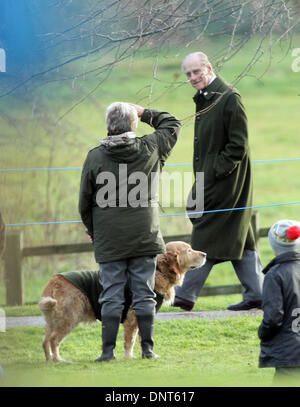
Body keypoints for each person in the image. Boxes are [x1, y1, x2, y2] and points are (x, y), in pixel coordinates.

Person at [79, 102, 181, 362]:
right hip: (144, 235)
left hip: (109, 238)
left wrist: (94, 231)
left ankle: (107, 352)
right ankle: (148, 350)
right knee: (145, 292)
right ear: (133, 124)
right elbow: (172, 123)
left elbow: (84, 203)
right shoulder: (151, 147)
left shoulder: (94, 157)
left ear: (108, 126)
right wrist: (144, 112)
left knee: (111, 293)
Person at [173, 52, 264, 311]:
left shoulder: (229, 99)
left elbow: (239, 145)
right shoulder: (206, 99)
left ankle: (186, 294)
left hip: (228, 182)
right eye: (188, 74)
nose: (192, 78)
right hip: (213, 178)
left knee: (205, 227)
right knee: (241, 233)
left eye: (196, 72)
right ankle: (257, 294)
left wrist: (214, 172)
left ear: (209, 68)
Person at [258, 220, 300, 384]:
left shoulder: (275, 275)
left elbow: (274, 316)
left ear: (273, 244)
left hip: (288, 351)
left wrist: (262, 332)